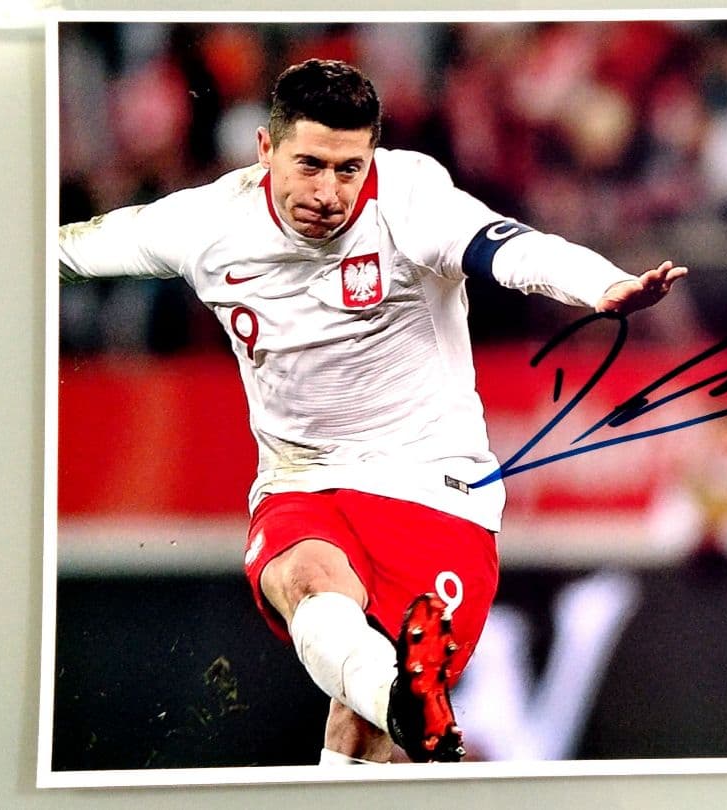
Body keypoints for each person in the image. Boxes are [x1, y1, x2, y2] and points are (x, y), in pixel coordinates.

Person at [59, 58, 687, 765]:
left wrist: (601, 283)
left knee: (360, 739)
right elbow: (64, 253)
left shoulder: (411, 198)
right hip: (303, 480)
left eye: (348, 169)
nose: (329, 192)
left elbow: (513, 249)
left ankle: (393, 702)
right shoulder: (208, 222)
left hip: (435, 490)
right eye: (310, 165)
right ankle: (401, 697)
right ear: (266, 150)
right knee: (306, 580)